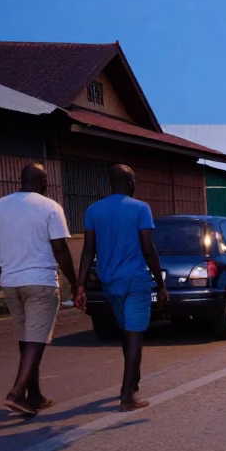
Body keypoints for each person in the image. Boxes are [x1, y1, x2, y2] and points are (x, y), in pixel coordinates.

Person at [73, 164, 168, 412]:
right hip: (136, 280)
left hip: (110, 282)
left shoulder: (94, 210)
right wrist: (160, 283)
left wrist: (80, 285)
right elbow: (148, 249)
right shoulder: (140, 209)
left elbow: (88, 250)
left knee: (127, 332)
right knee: (135, 335)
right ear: (129, 183)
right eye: (134, 180)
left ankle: (133, 381)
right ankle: (126, 395)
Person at [0, 163, 77, 416]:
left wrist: (3, 271)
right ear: (44, 181)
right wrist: (76, 282)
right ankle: (16, 394)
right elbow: (60, 249)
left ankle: (34, 395)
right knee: (36, 340)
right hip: (40, 282)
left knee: (27, 338)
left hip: (11, 282)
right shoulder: (50, 207)